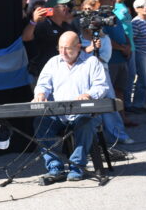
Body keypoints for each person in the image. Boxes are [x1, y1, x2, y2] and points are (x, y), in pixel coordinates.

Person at [33, 31, 109, 182]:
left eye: (67, 48)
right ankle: (55, 167)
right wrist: (41, 94)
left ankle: (77, 166)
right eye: (60, 48)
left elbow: (102, 86)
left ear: (78, 47)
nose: (63, 52)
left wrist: (88, 95)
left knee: (84, 122)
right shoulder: (53, 62)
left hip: (85, 113)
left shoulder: (92, 62)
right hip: (59, 114)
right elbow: (42, 84)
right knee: (40, 123)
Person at [78, 0, 132, 145]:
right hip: (81, 75)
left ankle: (119, 134)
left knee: (109, 103)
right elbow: (73, 54)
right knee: (85, 105)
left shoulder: (104, 37)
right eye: (87, 9)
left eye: (93, 10)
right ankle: (90, 139)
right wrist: (88, 50)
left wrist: (89, 54)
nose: (89, 13)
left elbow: (104, 57)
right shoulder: (77, 34)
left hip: (102, 72)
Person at [22, 0, 76, 84]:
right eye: (63, 6)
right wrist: (33, 21)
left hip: (63, 74)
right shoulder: (42, 25)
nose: (67, 8)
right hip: (43, 75)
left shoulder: (68, 27)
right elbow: (26, 38)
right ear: (52, 10)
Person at [110, 0, 137, 110]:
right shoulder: (113, 7)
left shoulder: (123, 5)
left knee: (131, 76)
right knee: (123, 81)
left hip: (129, 46)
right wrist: (123, 47)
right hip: (122, 48)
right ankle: (125, 106)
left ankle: (127, 105)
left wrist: (129, 45)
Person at [129, 0, 146, 112]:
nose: (145, 8)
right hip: (142, 54)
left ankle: (145, 104)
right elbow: (133, 39)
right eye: (142, 6)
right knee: (143, 81)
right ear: (136, 9)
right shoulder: (136, 22)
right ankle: (137, 105)